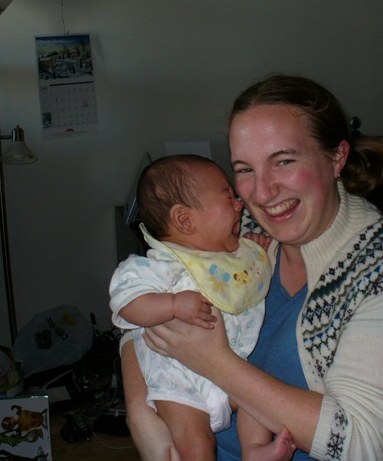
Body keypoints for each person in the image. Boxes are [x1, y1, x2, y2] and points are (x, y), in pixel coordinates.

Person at [120, 75, 383, 460]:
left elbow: (362, 442)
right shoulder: (237, 234)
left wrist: (214, 362)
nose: (261, 193)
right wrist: (140, 410)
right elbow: (144, 303)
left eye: (284, 161)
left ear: (336, 157)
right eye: (245, 169)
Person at [109, 154, 296, 461]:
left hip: (232, 375)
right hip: (178, 385)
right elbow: (128, 307)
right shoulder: (158, 265)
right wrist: (172, 304)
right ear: (185, 220)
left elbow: (246, 279)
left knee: (257, 401)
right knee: (196, 445)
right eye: (228, 198)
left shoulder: (232, 252)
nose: (240, 205)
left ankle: (254, 449)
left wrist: (254, 254)